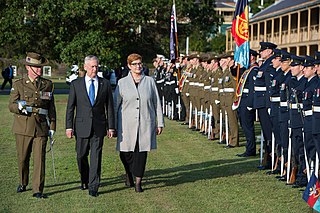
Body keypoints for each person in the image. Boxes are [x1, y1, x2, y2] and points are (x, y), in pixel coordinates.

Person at [65, 55, 115, 197]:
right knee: (81, 155)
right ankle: (85, 179)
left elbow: (109, 107)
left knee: (96, 156)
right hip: (81, 126)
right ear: (85, 67)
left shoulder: (104, 84)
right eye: (92, 66)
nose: (95, 69)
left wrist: (111, 127)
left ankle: (94, 185)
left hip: (99, 126)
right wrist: (69, 127)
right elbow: (70, 107)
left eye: (97, 66)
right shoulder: (76, 84)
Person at [8, 52, 56, 198]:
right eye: (36, 67)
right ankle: (23, 182)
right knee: (23, 158)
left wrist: (52, 127)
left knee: (39, 159)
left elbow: (51, 108)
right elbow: (11, 105)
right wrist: (19, 107)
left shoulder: (47, 85)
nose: (40, 70)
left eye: (41, 67)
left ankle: (37, 189)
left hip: (41, 127)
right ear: (29, 67)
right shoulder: (19, 84)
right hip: (23, 127)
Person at [114, 53, 164, 193]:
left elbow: (156, 103)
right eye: (135, 64)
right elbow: (115, 104)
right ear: (129, 66)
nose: (138, 66)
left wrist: (159, 123)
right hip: (126, 125)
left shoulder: (149, 81)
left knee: (141, 153)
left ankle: (138, 181)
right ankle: (129, 173)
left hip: (145, 123)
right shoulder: (122, 83)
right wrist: (112, 125)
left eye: (140, 63)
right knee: (126, 153)